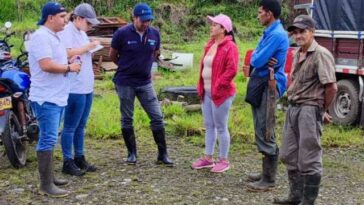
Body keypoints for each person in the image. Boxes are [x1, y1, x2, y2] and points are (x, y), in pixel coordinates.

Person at [273, 15, 337, 205]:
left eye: (303, 31)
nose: (298, 35)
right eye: (296, 32)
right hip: (293, 108)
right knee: (288, 154)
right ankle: (295, 196)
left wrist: (321, 110)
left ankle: (308, 201)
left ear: (312, 32)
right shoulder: (297, 53)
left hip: (309, 109)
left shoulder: (321, 54)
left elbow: (331, 87)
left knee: (309, 157)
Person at [109, 3, 173, 166]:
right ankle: (132, 153)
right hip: (125, 82)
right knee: (127, 118)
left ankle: (162, 154)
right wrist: (127, 67)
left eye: (148, 20)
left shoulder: (154, 34)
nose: (146, 23)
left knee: (157, 117)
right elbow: (113, 55)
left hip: (145, 82)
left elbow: (156, 53)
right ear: (134, 18)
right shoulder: (122, 33)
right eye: (143, 20)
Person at [28, 2, 81, 197]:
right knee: (48, 138)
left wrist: (69, 63)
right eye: (62, 17)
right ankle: (45, 185)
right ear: (50, 17)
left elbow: (56, 61)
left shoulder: (55, 37)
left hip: (57, 96)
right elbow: (46, 65)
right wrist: (69, 68)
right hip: (46, 97)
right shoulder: (41, 37)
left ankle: (49, 177)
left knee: (51, 137)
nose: (65, 21)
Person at [244, 0, 289, 191]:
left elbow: (256, 59)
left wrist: (258, 59)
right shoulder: (270, 32)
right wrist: (258, 59)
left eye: (260, 12)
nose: (258, 15)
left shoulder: (277, 35)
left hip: (269, 85)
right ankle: (265, 173)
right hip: (261, 82)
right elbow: (256, 58)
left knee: (265, 127)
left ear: (269, 13)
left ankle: (269, 179)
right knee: (260, 124)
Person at [191, 14, 238, 173]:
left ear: (223, 29)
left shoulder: (230, 47)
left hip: (221, 94)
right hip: (207, 92)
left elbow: (231, 70)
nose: (211, 27)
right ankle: (208, 158)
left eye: (215, 25)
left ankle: (224, 160)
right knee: (209, 125)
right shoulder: (210, 44)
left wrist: (218, 86)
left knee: (221, 126)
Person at [58, 3, 100, 176]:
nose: (90, 27)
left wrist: (90, 47)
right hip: (74, 87)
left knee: (81, 125)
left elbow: (81, 52)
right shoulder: (67, 31)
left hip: (86, 85)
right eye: (88, 23)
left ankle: (79, 156)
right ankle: (67, 160)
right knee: (70, 126)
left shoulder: (82, 33)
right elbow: (66, 53)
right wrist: (88, 47)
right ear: (79, 18)